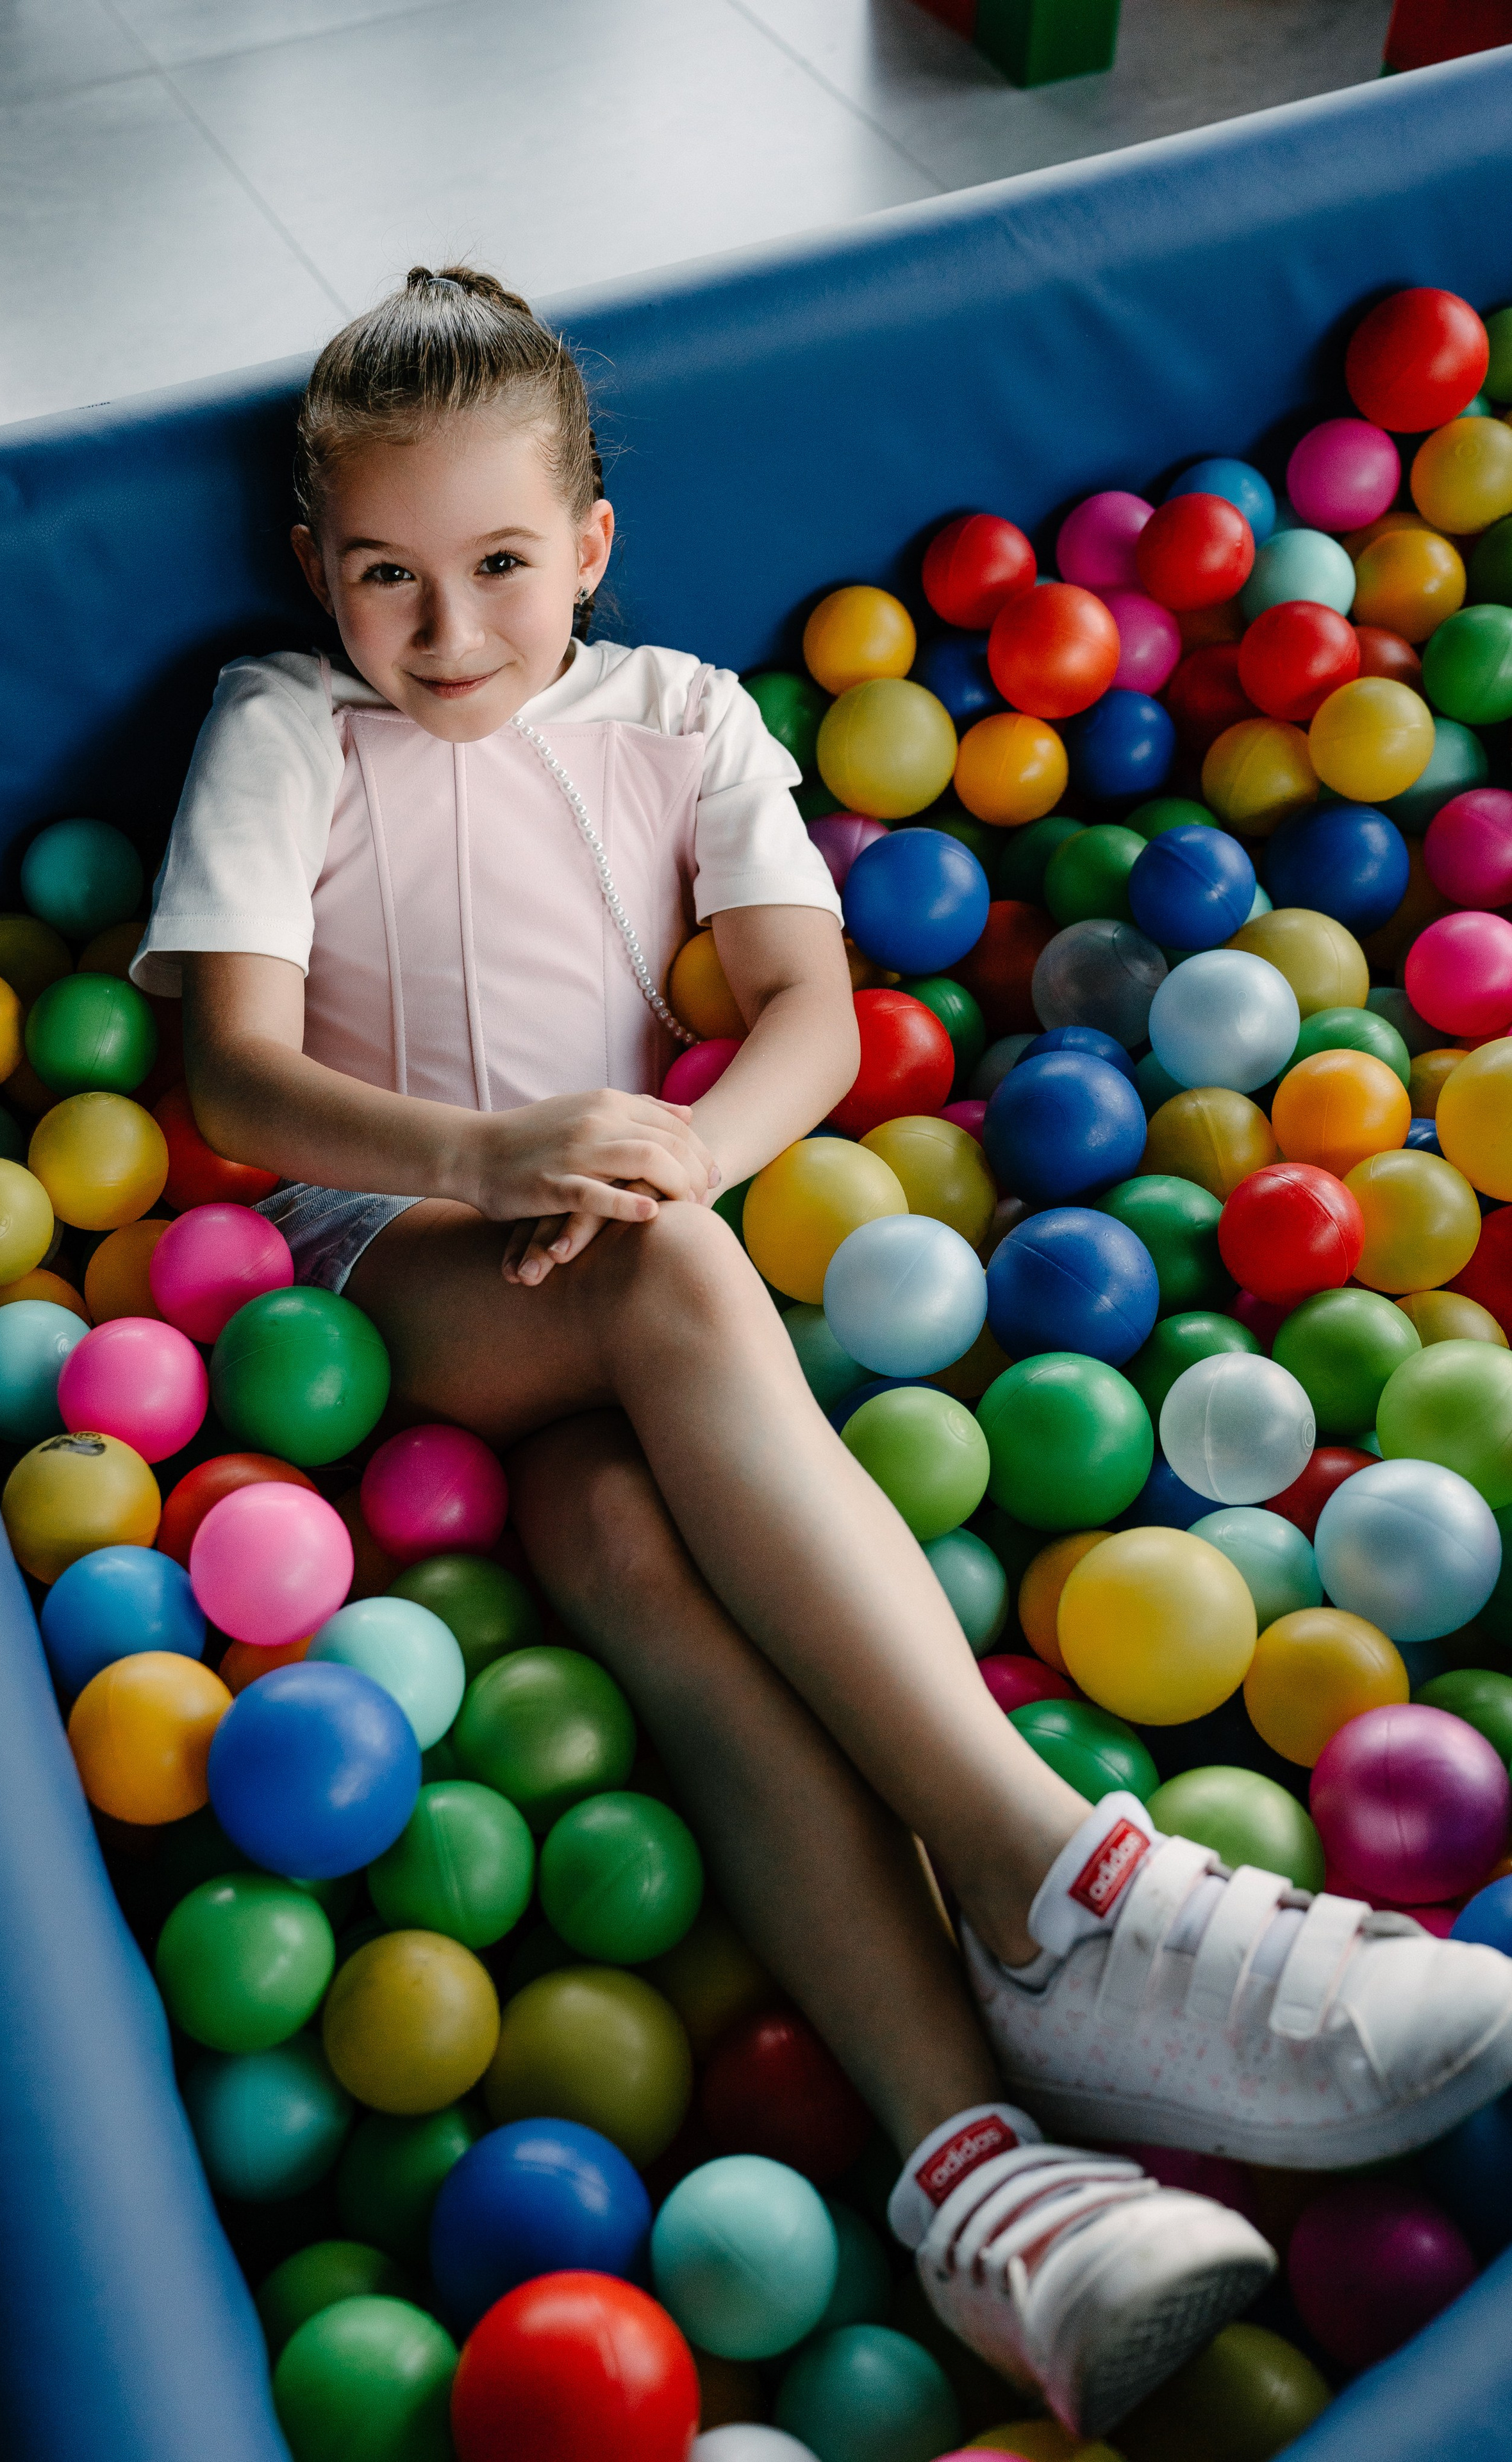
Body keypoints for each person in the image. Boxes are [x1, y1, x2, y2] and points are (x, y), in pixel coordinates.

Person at [135, 266, 1512, 2435]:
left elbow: (799, 1008)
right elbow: (229, 1073)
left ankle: (984, 2189)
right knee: (681, 1298)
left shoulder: (683, 716)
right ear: (318, 568)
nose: (449, 625)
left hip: (627, 1241)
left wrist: (677, 1152)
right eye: (385, 574)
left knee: (636, 1555)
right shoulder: (286, 725)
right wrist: (499, 1159)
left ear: (590, 541)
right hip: (399, 1267)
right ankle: (1064, 1881)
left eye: (501, 563)